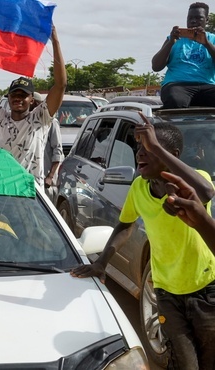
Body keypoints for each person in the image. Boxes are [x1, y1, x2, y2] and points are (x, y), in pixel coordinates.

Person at [70, 114, 215, 369]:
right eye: (139, 149)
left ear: (174, 154)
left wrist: (155, 146)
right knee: (185, 363)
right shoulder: (139, 187)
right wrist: (101, 263)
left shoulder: (195, 179)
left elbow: (206, 192)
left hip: (206, 289)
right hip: (166, 292)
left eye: (148, 149)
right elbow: (124, 226)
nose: (140, 154)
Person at [0, 26, 67, 186]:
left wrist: (55, 41)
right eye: (14, 95)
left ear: (32, 99)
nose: (18, 98)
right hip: (4, 192)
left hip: (32, 195)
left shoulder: (40, 119)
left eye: (23, 95)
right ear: (8, 98)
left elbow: (60, 85)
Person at [153, 2, 215, 108]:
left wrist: (206, 43)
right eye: (190, 18)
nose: (193, 21)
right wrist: (171, 42)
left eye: (198, 18)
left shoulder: (212, 39)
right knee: (176, 100)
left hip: (207, 85)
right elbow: (156, 67)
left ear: (207, 20)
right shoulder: (173, 39)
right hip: (177, 84)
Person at [161, 170, 215, 250]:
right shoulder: (138, 185)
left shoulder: (199, 177)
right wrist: (201, 223)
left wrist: (202, 223)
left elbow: (207, 192)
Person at [32, 92, 64, 201]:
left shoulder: (51, 122)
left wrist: (50, 176)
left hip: (46, 181)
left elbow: (57, 151)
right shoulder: (29, 123)